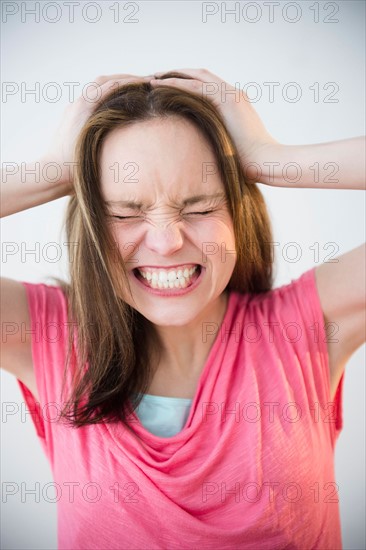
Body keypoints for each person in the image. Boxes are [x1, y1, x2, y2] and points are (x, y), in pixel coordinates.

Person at [1, 68, 365, 549]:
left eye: (199, 208)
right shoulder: (46, 335)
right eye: (125, 213)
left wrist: (270, 159)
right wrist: (55, 171)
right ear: (91, 222)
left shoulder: (307, 325)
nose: (167, 242)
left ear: (237, 213)